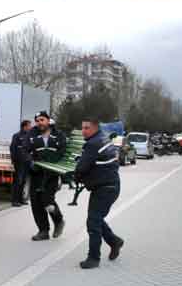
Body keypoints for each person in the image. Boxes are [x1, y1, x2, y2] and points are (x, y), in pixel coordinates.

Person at [75, 117, 124, 269]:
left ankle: (93, 258)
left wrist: (75, 176)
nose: (83, 131)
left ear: (95, 128)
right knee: (96, 219)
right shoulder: (103, 139)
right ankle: (114, 241)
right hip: (109, 186)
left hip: (105, 188)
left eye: (87, 128)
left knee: (93, 221)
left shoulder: (93, 144)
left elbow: (82, 167)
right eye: (82, 127)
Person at [27, 111, 66, 241]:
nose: (39, 123)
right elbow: (24, 151)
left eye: (42, 120)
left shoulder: (58, 135)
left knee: (47, 200)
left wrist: (53, 163)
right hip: (37, 173)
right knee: (36, 203)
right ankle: (43, 231)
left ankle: (59, 221)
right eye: (37, 120)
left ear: (48, 121)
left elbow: (62, 152)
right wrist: (30, 162)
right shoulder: (32, 134)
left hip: (51, 174)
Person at [9, 119, 32, 207]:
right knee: (18, 181)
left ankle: (21, 199)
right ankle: (15, 201)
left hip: (26, 162)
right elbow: (12, 148)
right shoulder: (17, 136)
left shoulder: (29, 136)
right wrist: (14, 160)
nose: (30, 127)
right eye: (29, 126)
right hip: (19, 162)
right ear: (24, 126)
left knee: (23, 181)